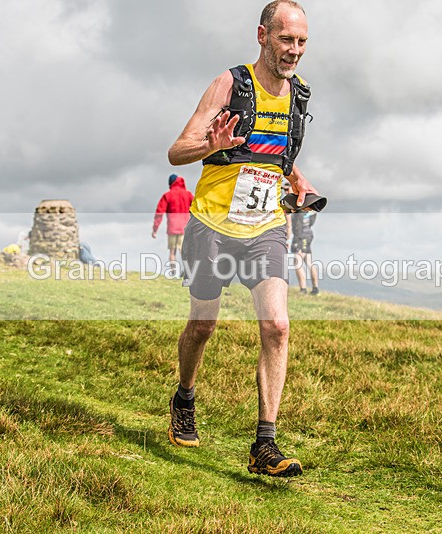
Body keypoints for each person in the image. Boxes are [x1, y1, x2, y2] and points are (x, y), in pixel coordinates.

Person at [166, 0, 318, 477]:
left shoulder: (299, 95)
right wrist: (213, 144)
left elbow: (274, 153)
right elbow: (177, 151)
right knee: (203, 326)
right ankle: (184, 397)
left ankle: (264, 446)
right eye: (286, 39)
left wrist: (298, 181)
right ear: (262, 36)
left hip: (266, 228)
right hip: (212, 224)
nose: (294, 51)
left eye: (301, 42)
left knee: (277, 326)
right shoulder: (230, 84)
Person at [152, 174, 194, 276]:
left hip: (172, 227)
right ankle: (188, 271)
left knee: (172, 252)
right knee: (183, 251)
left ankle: (173, 272)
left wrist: (155, 229)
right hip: (185, 227)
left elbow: (159, 213)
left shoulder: (168, 195)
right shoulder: (188, 195)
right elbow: (196, 208)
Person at [291, 209, 319, 295]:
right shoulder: (311, 209)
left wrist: (296, 240)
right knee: (309, 262)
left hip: (301, 237)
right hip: (308, 235)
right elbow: (311, 222)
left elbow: (297, 226)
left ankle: (303, 289)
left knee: (297, 263)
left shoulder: (299, 211)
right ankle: (315, 288)